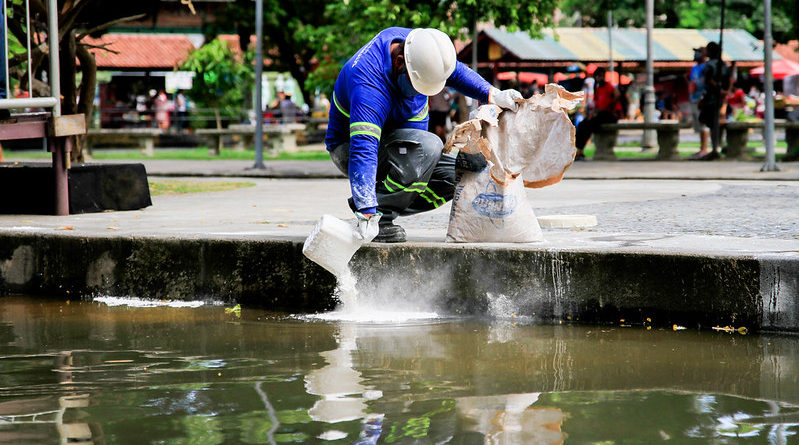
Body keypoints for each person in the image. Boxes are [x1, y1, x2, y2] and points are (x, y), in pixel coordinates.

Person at [325, 27, 521, 243]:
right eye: (418, 86)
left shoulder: (421, 47)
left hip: (401, 145)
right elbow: (364, 148)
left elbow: (454, 71)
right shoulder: (368, 83)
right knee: (428, 147)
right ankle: (376, 218)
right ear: (399, 63)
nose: (421, 93)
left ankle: (381, 201)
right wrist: (366, 209)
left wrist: (494, 94)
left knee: (457, 174)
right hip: (350, 149)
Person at [574, 67, 620, 160]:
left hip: (609, 114)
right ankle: (578, 149)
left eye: (601, 76)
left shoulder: (608, 86)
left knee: (589, 125)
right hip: (600, 114)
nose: (599, 78)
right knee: (583, 124)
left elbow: (617, 94)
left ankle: (579, 151)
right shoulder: (598, 88)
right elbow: (596, 104)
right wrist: (590, 116)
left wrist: (611, 107)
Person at [698, 41, 732, 160]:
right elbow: (730, 81)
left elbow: (709, 80)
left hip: (712, 99)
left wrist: (719, 90)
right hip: (721, 97)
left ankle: (715, 147)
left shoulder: (711, 65)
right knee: (718, 124)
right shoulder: (724, 65)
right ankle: (717, 146)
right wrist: (725, 91)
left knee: (713, 123)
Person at [688, 47, 710, 159]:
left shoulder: (706, 67)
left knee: (703, 125)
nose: (696, 54)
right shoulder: (694, 68)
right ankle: (701, 148)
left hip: (702, 99)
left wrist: (703, 98)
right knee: (698, 126)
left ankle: (704, 149)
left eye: (698, 52)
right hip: (694, 99)